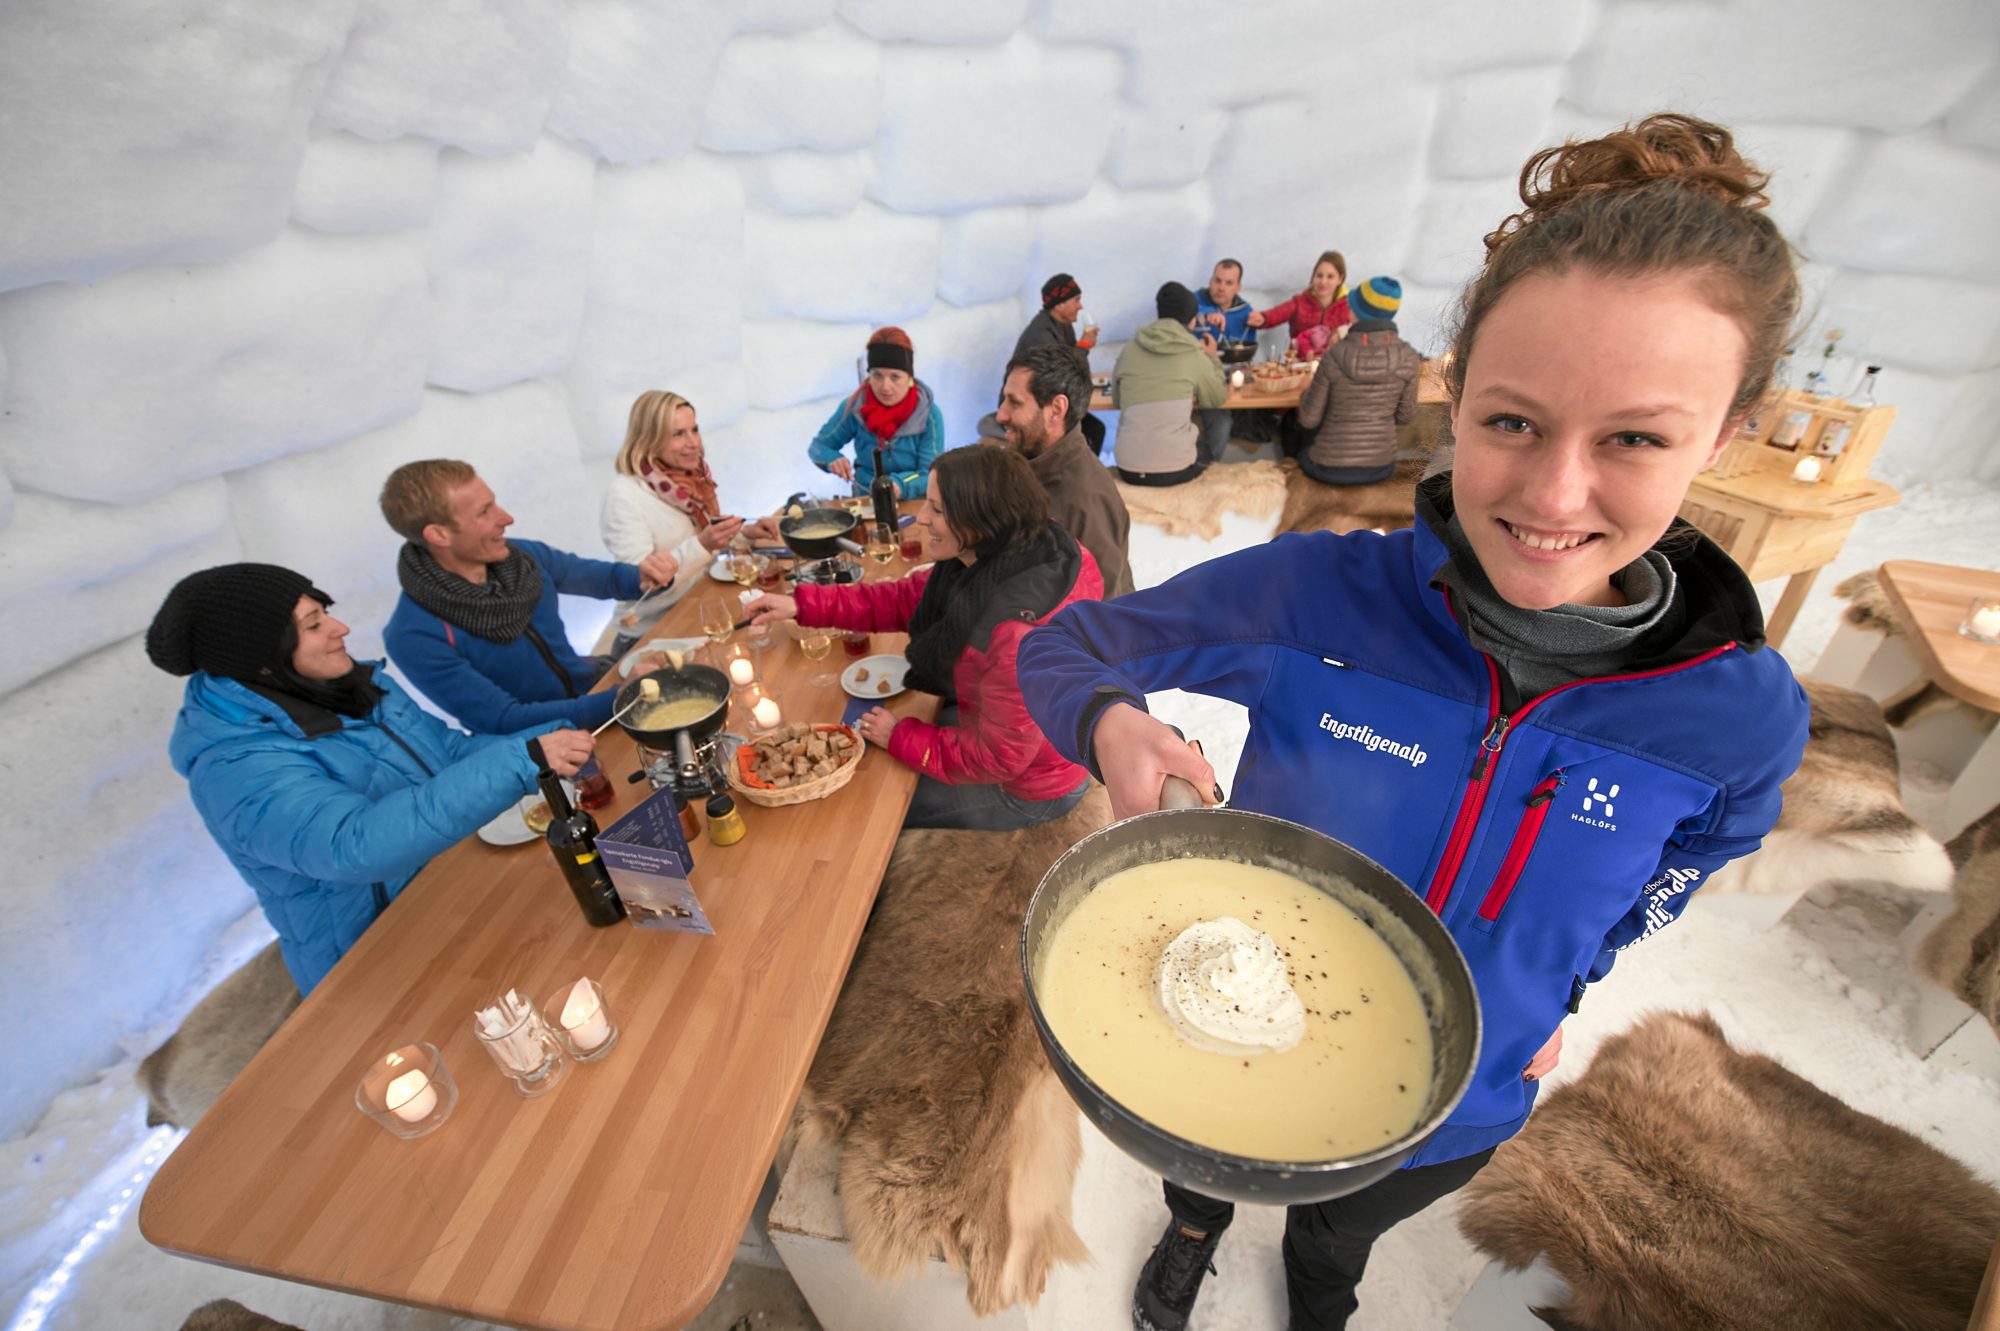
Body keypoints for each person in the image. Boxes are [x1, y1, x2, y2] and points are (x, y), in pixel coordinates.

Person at [1017, 113, 1812, 1331]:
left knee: (1339, 1234)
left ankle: (1320, 1289)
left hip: (1467, 1096)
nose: (1552, 496)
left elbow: (1681, 864)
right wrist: (1110, 724)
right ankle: (1191, 1230)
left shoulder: (1737, 721)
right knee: (1206, 1172)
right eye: (1511, 421)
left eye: (1635, 439)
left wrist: (1565, 979)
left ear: (1728, 431)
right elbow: (1066, 643)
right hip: (1218, 1020)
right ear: (1452, 399)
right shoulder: (1314, 593)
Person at [148, 563, 597, 994]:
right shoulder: (234, 766)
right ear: (261, 656)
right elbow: (355, 845)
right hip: (374, 962)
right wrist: (519, 762)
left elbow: (450, 753)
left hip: (452, 893)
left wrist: (549, 739)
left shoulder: (349, 686)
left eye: (325, 613)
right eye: (312, 625)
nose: (339, 629)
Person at [746, 445, 1100, 832]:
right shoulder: (1007, 552)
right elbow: (901, 599)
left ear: (980, 521)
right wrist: (799, 605)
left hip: (1030, 785)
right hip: (1003, 731)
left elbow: (998, 759)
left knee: (866, 806)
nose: (922, 518)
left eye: (937, 509)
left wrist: (899, 735)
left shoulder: (1013, 632)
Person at [381, 459, 678, 733]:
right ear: (439, 535)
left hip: (602, 689)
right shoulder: (413, 635)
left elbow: (606, 580)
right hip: (551, 746)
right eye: (484, 512)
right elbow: (504, 719)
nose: (507, 518)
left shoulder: (520, 557)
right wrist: (619, 698)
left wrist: (644, 576)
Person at [602, 390, 780, 648]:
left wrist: (745, 533)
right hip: (653, 635)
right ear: (649, 439)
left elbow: (703, 533)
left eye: (694, 430)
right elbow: (641, 582)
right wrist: (704, 544)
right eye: (678, 434)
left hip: (697, 607)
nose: (693, 442)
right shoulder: (624, 496)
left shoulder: (686, 478)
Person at [996, 344, 1136, 599]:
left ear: (1057, 410)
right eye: (1004, 399)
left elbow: (1104, 610)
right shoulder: (1025, 463)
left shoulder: (1084, 499)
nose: (1001, 415)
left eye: (1014, 403)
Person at [1294, 276, 1423, 486]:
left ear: (1356, 311)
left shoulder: (1335, 354)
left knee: (1298, 441)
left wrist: (1305, 391)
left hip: (1328, 466)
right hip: (1382, 466)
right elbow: (1405, 417)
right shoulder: (1409, 357)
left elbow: (1308, 419)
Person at [1108, 282, 1228, 487]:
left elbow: (1117, 399)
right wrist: (1212, 357)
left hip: (1127, 467)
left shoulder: (1130, 348)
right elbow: (1217, 397)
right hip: (1174, 470)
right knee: (1205, 449)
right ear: (1191, 320)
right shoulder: (1191, 351)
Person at [808, 326, 945, 500]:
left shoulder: (929, 415)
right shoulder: (855, 407)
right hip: (866, 499)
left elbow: (931, 474)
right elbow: (819, 447)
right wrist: (832, 459)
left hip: (913, 501)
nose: (885, 387)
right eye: (877, 375)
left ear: (910, 378)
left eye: (895, 377)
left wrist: (898, 485)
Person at [1013, 273, 1106, 456]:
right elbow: (1059, 372)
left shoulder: (1063, 326)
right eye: (1076, 300)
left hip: (1050, 401)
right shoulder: (1041, 334)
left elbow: (1069, 364)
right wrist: (1084, 346)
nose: (1081, 306)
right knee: (1091, 432)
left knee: (1095, 430)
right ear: (1059, 304)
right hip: (1032, 405)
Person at [1194, 259, 1256, 463]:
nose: (1221, 287)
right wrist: (1204, 317)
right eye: (1217, 280)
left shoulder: (1245, 313)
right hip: (1192, 378)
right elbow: (1176, 322)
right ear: (1210, 280)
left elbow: (1245, 354)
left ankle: (1209, 469)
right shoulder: (1193, 302)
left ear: (1238, 287)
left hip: (1225, 380)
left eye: (1229, 283)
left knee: (1222, 422)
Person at [1251, 248, 1353, 358]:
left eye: (1330, 276)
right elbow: (1278, 313)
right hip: (1299, 366)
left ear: (1340, 279)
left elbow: (1360, 331)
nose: (1323, 282)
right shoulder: (1300, 302)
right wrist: (1263, 318)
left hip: (1334, 366)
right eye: (1319, 275)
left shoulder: (1349, 306)